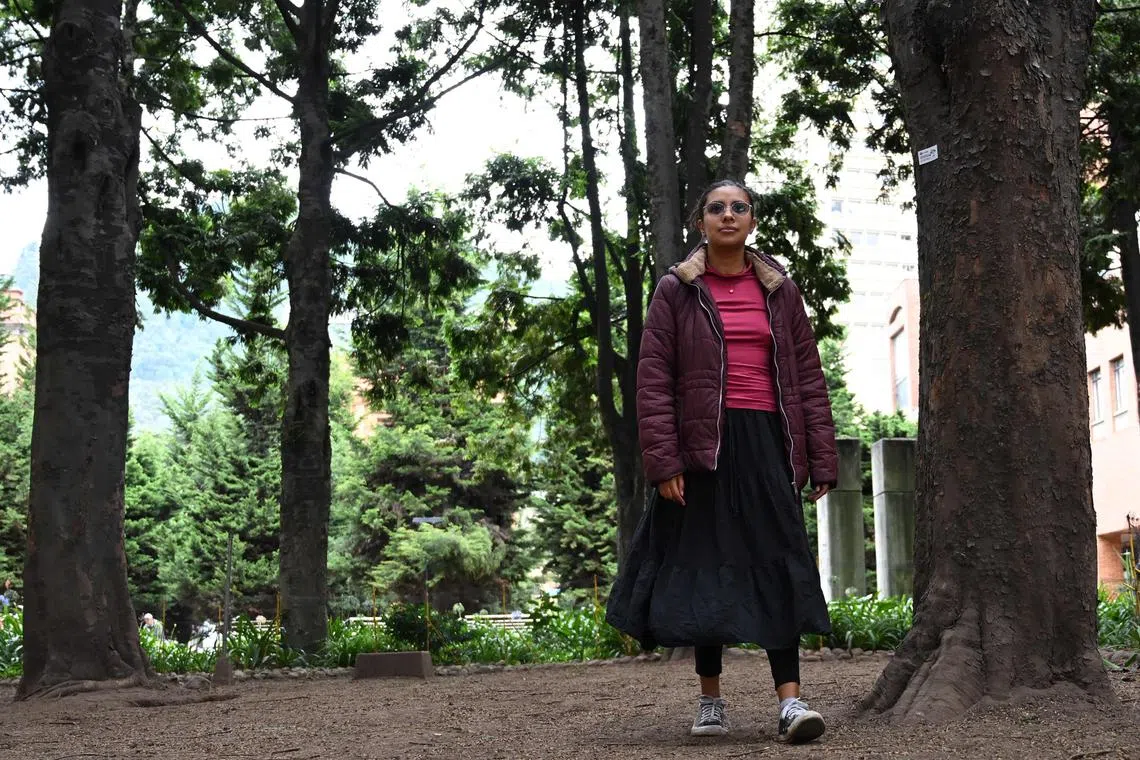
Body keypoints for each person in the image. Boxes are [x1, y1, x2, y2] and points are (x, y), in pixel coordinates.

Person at [606, 179, 838, 743]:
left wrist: (821, 456)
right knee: (705, 564)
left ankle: (791, 703)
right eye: (717, 208)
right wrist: (664, 462)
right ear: (701, 222)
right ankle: (711, 700)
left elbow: (808, 377)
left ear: (752, 220)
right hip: (701, 446)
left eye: (739, 208)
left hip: (767, 441)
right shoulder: (676, 289)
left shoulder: (781, 291)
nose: (728, 215)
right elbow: (653, 380)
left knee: (776, 562)